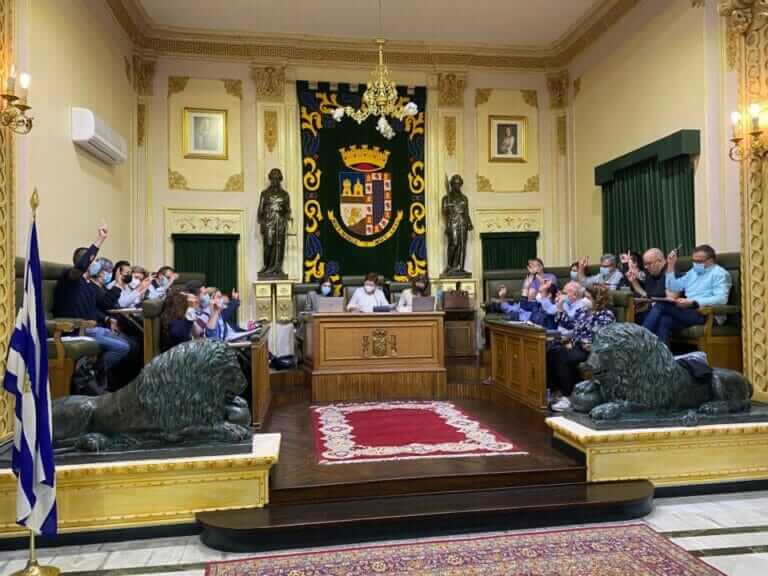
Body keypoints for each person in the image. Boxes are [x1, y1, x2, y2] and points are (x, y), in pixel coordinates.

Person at [53, 225, 131, 388]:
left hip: (95, 328)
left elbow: (99, 306)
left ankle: (102, 379)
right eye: (94, 260)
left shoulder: (88, 283)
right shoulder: (70, 278)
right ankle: (92, 374)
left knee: (129, 344)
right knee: (122, 347)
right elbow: (80, 266)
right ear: (87, 261)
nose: (97, 263)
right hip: (77, 329)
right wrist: (100, 240)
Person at [642, 244, 732, 345]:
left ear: (711, 260)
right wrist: (671, 265)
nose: (695, 264)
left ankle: (638, 339)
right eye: (693, 261)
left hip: (706, 313)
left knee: (660, 305)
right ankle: (663, 359)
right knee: (664, 321)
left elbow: (721, 299)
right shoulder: (693, 272)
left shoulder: (720, 274)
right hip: (689, 311)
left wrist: (693, 302)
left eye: (699, 261)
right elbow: (673, 286)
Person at [547, 284, 615, 412]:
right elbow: (570, 325)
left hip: (591, 350)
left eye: (589, 297)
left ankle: (569, 396)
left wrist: (577, 342)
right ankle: (555, 391)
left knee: (562, 356)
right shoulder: (583, 311)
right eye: (585, 296)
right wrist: (560, 309)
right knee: (553, 351)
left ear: (598, 299)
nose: (585, 300)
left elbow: (601, 336)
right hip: (576, 346)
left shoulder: (606, 315)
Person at [624, 248, 668, 324]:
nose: (646, 267)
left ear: (659, 261)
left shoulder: (669, 272)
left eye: (649, 263)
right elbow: (647, 294)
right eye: (645, 264)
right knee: (634, 318)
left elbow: (658, 295)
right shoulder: (652, 273)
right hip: (653, 309)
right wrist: (634, 281)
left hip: (666, 310)